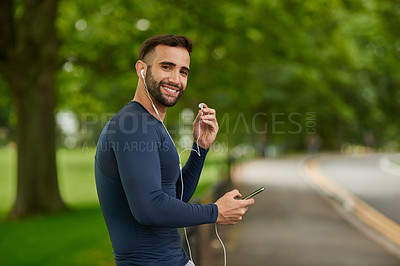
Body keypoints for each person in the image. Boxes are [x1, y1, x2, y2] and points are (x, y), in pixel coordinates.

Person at [94, 34, 254, 266]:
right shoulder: (131, 125)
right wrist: (215, 212)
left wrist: (200, 147)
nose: (176, 79)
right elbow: (148, 209)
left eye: (183, 71)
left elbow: (176, 196)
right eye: (166, 67)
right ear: (141, 69)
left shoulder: (150, 124)